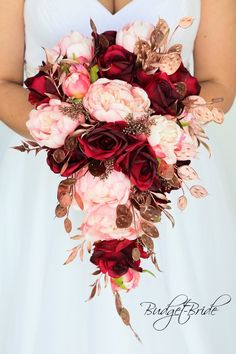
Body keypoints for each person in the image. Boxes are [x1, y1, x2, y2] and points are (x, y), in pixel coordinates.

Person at [0, 1, 235, 354]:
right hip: (49, 182)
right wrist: (80, 137)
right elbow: (2, 82)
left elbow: (220, 84)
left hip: (165, 177)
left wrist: (152, 129)